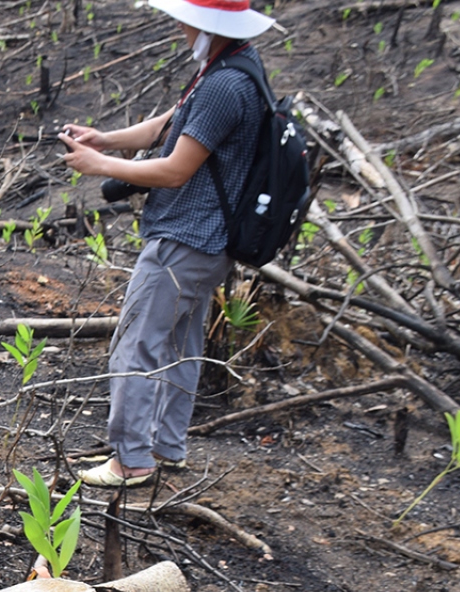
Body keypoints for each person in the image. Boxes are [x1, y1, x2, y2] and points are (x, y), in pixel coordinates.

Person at [59, 0, 276, 487]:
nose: (179, 26)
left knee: (136, 345)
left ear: (206, 25)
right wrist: (105, 139)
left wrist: (102, 167)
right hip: (209, 242)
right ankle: (165, 445)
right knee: (181, 344)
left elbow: (175, 169)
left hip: (186, 237)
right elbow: (168, 125)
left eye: (186, 19)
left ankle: (132, 459)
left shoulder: (223, 84)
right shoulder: (233, 66)